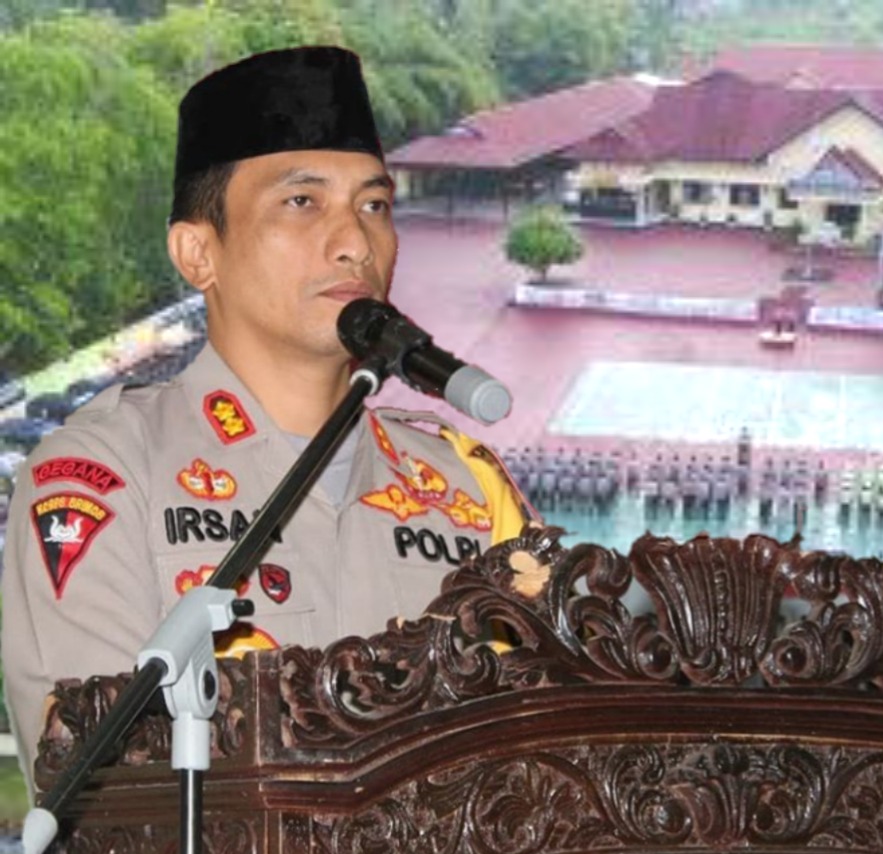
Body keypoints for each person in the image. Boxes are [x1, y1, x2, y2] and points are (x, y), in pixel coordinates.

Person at [0, 46, 533, 797]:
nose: (356, 243)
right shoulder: (105, 477)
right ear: (198, 252)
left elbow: (558, 728)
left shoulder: (466, 488)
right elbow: (106, 797)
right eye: (302, 202)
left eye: (375, 206)